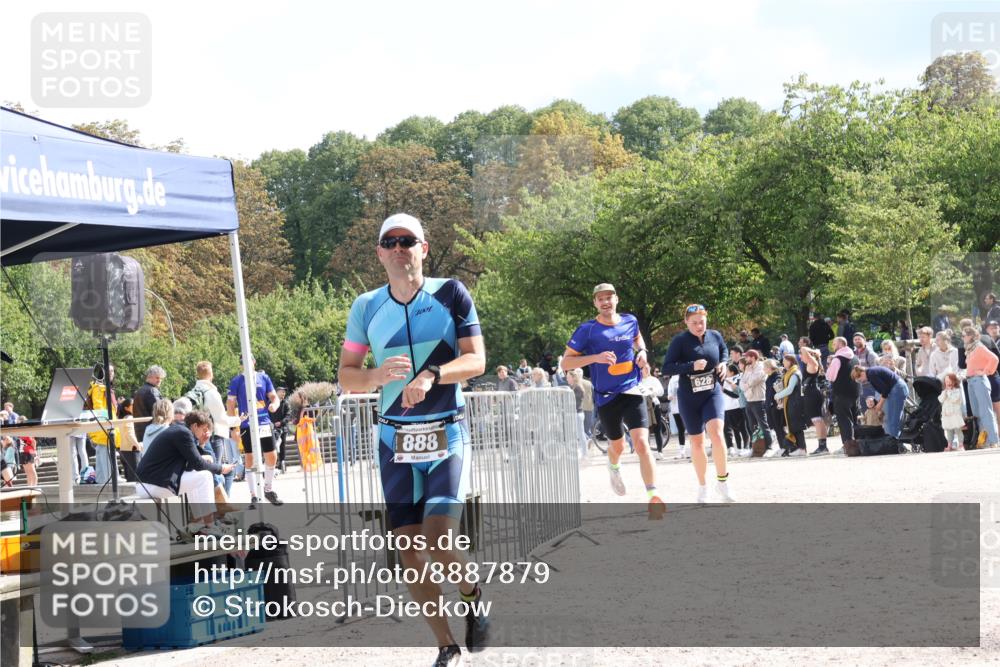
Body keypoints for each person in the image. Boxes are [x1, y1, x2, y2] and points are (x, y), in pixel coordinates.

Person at [338, 213, 489, 664]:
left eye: (409, 241)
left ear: (424, 248)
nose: (400, 248)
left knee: (440, 538)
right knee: (409, 552)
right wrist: (377, 375)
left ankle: (473, 593)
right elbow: (346, 377)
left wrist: (433, 374)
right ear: (380, 253)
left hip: (445, 431)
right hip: (394, 442)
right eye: (391, 242)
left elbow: (477, 360)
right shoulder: (366, 306)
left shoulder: (451, 293)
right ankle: (447, 645)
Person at [561, 283, 660, 507]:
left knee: (642, 444)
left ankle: (653, 495)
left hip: (632, 389)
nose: (606, 302)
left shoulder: (630, 320)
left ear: (617, 299)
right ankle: (614, 467)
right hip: (606, 396)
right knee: (618, 447)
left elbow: (637, 339)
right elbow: (566, 362)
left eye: (609, 297)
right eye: (600, 299)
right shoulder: (587, 330)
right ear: (595, 303)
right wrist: (594, 358)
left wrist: (642, 352)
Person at [661, 304, 735, 502]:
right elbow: (666, 367)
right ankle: (703, 487)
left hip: (712, 392)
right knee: (697, 441)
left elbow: (723, 350)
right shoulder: (679, 341)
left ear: (706, 319)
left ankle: (723, 482)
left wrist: (723, 363)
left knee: (717, 435)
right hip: (689, 396)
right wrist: (690, 366)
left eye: (701, 322)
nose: (698, 326)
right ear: (686, 322)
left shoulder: (715, 336)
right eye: (693, 323)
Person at [135, 411, 234, 538]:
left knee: (197, 476)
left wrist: (202, 443)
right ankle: (209, 525)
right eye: (203, 429)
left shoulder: (179, 431)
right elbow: (198, 464)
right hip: (152, 485)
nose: (205, 433)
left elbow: (191, 465)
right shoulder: (183, 433)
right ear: (194, 426)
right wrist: (221, 468)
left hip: (149, 484)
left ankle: (201, 524)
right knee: (205, 476)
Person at [227, 354, 283, 508]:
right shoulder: (237, 381)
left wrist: (275, 404)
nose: (246, 363)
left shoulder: (263, 378)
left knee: (272, 456)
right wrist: (233, 426)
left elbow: (273, 397)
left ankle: (268, 488)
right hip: (247, 425)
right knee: (250, 458)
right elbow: (230, 403)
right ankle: (253, 495)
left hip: (264, 422)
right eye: (242, 361)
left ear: (253, 361)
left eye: (249, 360)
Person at [962, 325, 999, 449]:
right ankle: (985, 440)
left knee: (986, 412)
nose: (962, 338)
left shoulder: (978, 347)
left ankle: (994, 441)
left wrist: (985, 371)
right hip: (971, 382)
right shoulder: (970, 349)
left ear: (971, 336)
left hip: (979, 381)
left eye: (964, 335)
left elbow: (994, 358)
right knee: (978, 413)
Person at [851, 365, 909, 442]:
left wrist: (879, 404)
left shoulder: (872, 374)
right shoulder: (871, 373)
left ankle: (894, 442)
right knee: (890, 418)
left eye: (859, 380)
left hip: (897, 389)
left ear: (861, 374)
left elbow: (885, 390)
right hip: (896, 388)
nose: (861, 382)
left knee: (893, 419)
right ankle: (892, 441)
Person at [84, 363, 118, 486]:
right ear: (101, 373)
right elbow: (99, 408)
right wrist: (105, 424)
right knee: (106, 456)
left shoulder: (103, 387)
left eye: (112, 371)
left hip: (106, 426)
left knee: (103, 455)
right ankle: (110, 480)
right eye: (108, 371)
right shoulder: (99, 388)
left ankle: (104, 480)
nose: (111, 374)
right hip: (104, 427)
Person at [740, 349, 774, 456]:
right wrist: (746, 385)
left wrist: (747, 384)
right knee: (752, 426)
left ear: (753, 357)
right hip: (749, 400)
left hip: (759, 400)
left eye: (747, 357)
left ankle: (769, 447)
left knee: (763, 425)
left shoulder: (761, 367)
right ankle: (754, 448)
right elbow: (741, 382)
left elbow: (755, 380)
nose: (746, 359)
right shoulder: (748, 368)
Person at [800, 346, 830, 454]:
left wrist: (816, 352)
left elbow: (803, 349)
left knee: (817, 420)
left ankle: (822, 446)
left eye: (803, 355)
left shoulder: (812, 363)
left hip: (812, 394)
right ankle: (822, 446)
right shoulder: (811, 363)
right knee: (818, 420)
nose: (801, 356)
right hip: (812, 393)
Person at [132, 365, 166, 441]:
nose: (160, 380)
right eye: (157, 377)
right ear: (150, 377)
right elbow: (160, 412)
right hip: (152, 431)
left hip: (140, 431)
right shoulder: (152, 391)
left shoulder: (139, 391)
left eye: (161, 378)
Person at [722, 364, 749, 457]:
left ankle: (746, 447)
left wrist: (724, 390)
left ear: (732, 372)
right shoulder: (724, 380)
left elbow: (736, 395)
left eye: (727, 371)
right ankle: (739, 448)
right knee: (735, 430)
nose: (725, 372)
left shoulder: (737, 379)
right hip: (727, 408)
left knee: (742, 428)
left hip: (737, 407)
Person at [117, 398, 142, 482]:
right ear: (126, 408)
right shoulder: (129, 418)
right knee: (135, 478)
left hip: (124, 450)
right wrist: (138, 445)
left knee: (129, 477)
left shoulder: (122, 418)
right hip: (131, 450)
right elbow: (130, 433)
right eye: (132, 405)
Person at [565, 369, 588, 460]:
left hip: (577, 413)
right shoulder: (574, 387)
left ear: (573, 378)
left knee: (581, 434)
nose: (567, 379)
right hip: (576, 413)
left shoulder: (577, 388)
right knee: (578, 434)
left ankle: (585, 453)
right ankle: (582, 452)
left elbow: (576, 403)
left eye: (568, 377)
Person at [940, 372, 966, 451]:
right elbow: (940, 399)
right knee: (949, 431)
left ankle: (961, 444)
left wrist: (949, 393)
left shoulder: (957, 391)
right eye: (946, 381)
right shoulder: (945, 392)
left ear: (954, 381)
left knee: (958, 430)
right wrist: (945, 393)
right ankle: (949, 445)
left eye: (949, 381)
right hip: (947, 415)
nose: (948, 383)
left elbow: (955, 399)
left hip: (955, 414)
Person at [270, 386, 291, 473]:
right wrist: (272, 423)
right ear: (277, 392)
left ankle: (282, 463)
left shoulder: (286, 403)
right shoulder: (271, 403)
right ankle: (275, 464)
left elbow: (288, 415)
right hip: (272, 428)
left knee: (282, 446)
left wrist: (281, 422)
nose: (283, 393)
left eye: (284, 392)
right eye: (282, 391)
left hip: (283, 428)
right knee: (273, 446)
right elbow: (269, 414)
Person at [667, 374, 687, 459]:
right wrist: (670, 396)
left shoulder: (684, 376)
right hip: (675, 407)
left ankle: (695, 449)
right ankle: (682, 451)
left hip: (685, 406)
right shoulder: (671, 380)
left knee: (690, 428)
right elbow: (668, 394)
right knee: (681, 429)